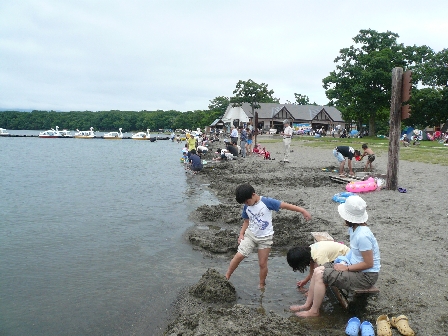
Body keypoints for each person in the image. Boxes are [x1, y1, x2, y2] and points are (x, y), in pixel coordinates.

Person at [292, 195, 380, 317]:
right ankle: (307, 305)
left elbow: (369, 263)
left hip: (365, 277)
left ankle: (314, 311)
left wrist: (346, 268)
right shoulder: (355, 229)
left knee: (322, 276)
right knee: (318, 270)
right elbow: (355, 254)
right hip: (355, 268)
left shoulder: (363, 235)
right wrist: (344, 262)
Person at [225, 183, 311, 289]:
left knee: (262, 263)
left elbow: (284, 205)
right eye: (244, 203)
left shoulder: (266, 202)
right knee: (239, 255)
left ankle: (261, 284)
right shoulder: (246, 206)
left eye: (247, 201)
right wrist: (241, 233)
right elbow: (246, 221)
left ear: (253, 194)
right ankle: (227, 275)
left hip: (265, 238)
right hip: (251, 235)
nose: (247, 204)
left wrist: (302, 211)